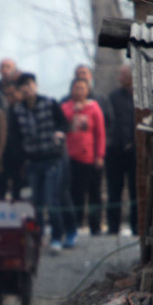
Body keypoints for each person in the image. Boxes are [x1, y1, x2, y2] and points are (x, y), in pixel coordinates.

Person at [8, 73, 71, 253]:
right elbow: (15, 138)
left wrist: (59, 133)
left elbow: (63, 124)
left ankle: (57, 237)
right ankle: (37, 237)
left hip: (52, 158)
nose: (27, 89)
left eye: (29, 85)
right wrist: (21, 161)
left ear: (35, 85)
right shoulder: (17, 110)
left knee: (52, 200)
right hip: (32, 161)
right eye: (23, 87)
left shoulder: (50, 103)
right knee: (35, 202)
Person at [62, 78, 106, 236]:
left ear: (87, 90)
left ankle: (95, 226)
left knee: (94, 194)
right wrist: (74, 110)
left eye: (82, 88)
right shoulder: (65, 107)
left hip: (90, 159)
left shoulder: (94, 108)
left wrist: (99, 155)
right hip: (71, 158)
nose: (79, 91)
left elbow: (100, 134)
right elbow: (62, 127)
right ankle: (75, 224)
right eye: (76, 88)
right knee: (75, 193)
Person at [105, 65, 137, 235]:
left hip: (134, 151)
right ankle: (113, 227)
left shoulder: (139, 96)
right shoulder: (113, 97)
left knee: (135, 191)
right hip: (115, 152)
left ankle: (136, 227)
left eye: (122, 75)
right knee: (113, 191)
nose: (119, 78)